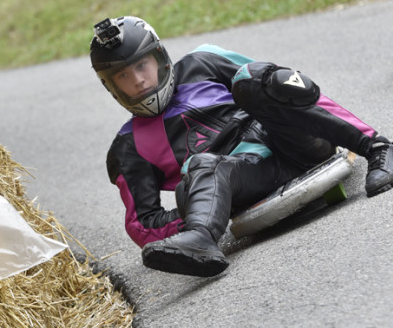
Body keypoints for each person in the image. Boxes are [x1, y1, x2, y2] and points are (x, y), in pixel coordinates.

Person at [90, 16, 393, 278]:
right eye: (123, 76)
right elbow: (142, 224)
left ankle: (379, 148)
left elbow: (289, 89)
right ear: (112, 87)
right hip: (244, 179)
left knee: (259, 79)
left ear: (159, 57)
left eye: (142, 65)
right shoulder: (127, 147)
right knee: (197, 171)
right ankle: (201, 239)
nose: (139, 81)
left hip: (292, 141)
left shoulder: (203, 62)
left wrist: (366, 135)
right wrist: (204, 207)